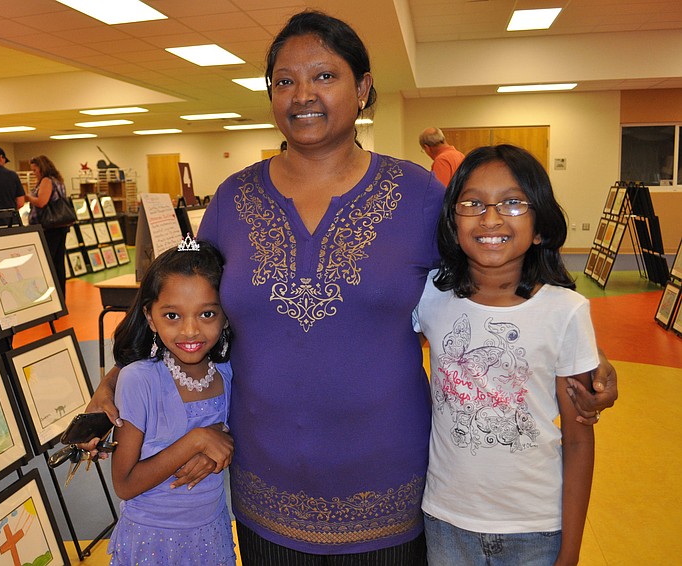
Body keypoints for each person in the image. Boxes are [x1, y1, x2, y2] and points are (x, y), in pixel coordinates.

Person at [86, 10, 618, 564]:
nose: (302, 95)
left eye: (324, 75)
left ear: (362, 88)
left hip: (390, 490)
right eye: (284, 81)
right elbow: (179, 300)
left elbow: (492, 282)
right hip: (265, 488)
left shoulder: (417, 196)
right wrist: (122, 374)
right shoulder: (232, 201)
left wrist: (585, 356)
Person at [413, 144, 597, 565]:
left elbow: (578, 439)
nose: (491, 218)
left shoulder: (566, 311)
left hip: (536, 529)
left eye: (513, 202)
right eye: (473, 203)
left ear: (540, 227)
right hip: (446, 521)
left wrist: (570, 551)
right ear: (453, 222)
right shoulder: (431, 296)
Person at [106, 236, 236, 565]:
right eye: (172, 316)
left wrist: (221, 435)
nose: (190, 331)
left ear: (226, 316)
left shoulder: (227, 373)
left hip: (211, 536)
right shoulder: (139, 380)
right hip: (151, 542)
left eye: (207, 314)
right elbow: (124, 483)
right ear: (150, 317)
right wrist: (197, 440)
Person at [26, 155, 69, 297]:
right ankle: (60, 295)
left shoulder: (46, 181)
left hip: (49, 227)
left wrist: (28, 197)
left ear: (42, 168)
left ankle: (52, 295)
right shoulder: (58, 181)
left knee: (48, 262)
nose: (34, 173)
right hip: (59, 226)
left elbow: (41, 202)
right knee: (58, 262)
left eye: (35, 170)